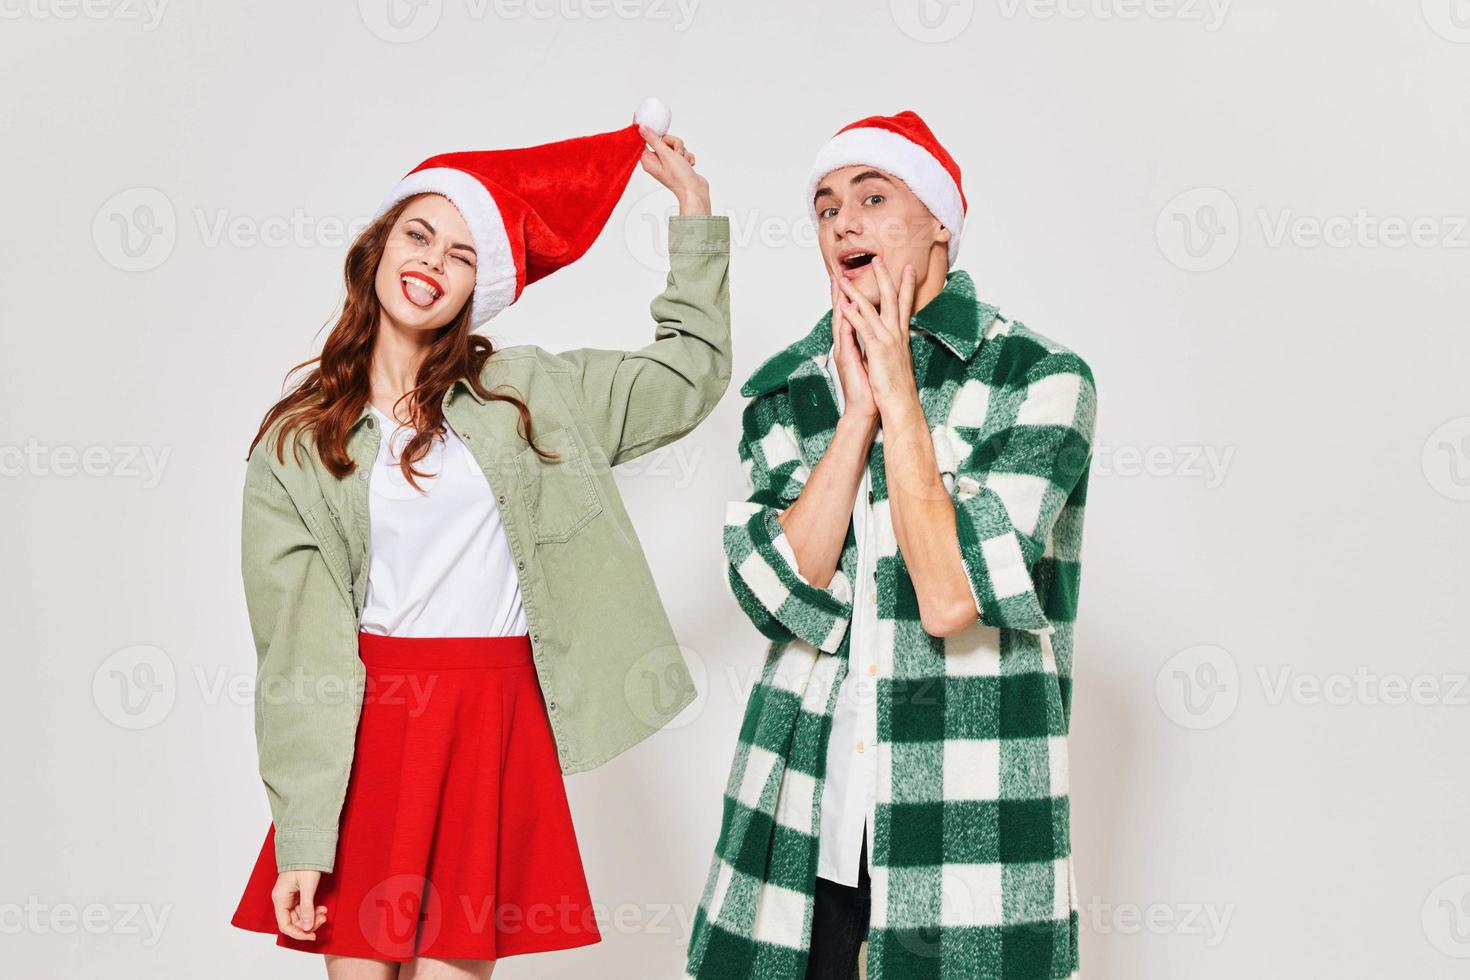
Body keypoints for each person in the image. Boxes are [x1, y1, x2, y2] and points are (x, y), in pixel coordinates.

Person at [228, 99, 731, 979]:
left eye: (461, 254)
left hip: (492, 723)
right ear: (379, 249)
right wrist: (305, 832)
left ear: (479, 285)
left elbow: (688, 375)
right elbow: (297, 650)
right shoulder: (297, 445)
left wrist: (692, 216)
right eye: (419, 236)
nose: (432, 264)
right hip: (371, 727)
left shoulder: (533, 391)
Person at [684, 109, 1096, 980]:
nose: (845, 223)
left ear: (940, 219)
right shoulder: (790, 390)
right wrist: (855, 415)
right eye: (827, 207)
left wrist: (901, 401)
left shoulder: (1040, 378)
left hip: (971, 811)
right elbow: (778, 597)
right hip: (805, 813)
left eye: (874, 196)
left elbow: (950, 597)